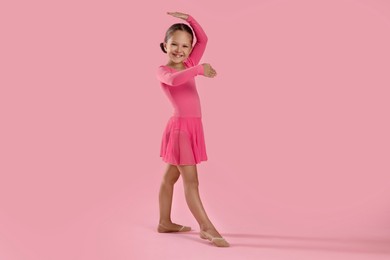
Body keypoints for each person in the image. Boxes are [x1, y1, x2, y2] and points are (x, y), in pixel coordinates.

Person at [156, 11, 230, 247]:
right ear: (164, 45)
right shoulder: (164, 71)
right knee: (192, 182)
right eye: (174, 44)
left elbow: (204, 40)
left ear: (190, 49)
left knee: (169, 178)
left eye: (186, 46)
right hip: (180, 131)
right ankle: (206, 227)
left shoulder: (188, 64)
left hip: (192, 128)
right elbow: (175, 81)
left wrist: (189, 18)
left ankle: (164, 222)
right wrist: (199, 70)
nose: (180, 49)